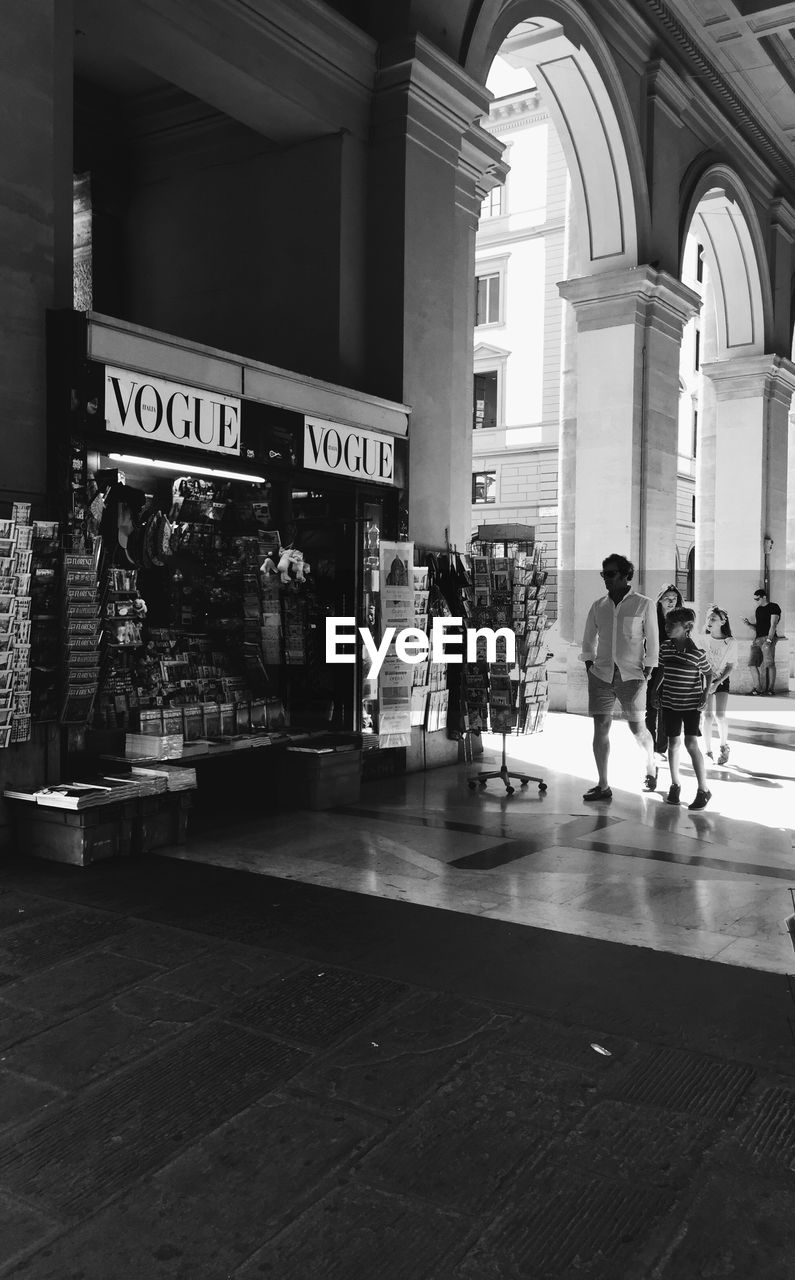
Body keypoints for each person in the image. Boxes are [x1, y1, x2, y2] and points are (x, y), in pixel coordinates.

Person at [579, 553, 659, 802]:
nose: (606, 579)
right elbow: (588, 639)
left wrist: (647, 670)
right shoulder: (598, 606)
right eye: (603, 574)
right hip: (601, 674)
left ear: (626, 575)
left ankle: (650, 766)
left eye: (611, 574)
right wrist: (590, 665)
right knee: (600, 727)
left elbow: (653, 641)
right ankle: (603, 784)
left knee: (637, 728)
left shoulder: (643, 604)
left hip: (632, 675)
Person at [648, 607, 712, 810]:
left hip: (691, 705)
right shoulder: (665, 647)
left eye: (671, 625)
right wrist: (654, 692)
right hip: (669, 703)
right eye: (666, 624)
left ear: (687, 627)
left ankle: (703, 789)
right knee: (672, 743)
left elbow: (708, 674)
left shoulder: (696, 653)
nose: (666, 628)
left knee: (691, 743)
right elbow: (662, 670)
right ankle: (675, 785)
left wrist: (704, 694)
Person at [645, 584, 684, 760]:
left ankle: (660, 748)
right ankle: (649, 745)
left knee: (666, 708)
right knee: (650, 707)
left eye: (674, 598)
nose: (671, 601)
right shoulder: (651, 616)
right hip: (652, 665)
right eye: (667, 598)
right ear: (660, 599)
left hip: (672, 666)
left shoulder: (679, 620)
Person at [701, 606, 737, 765]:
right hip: (704, 679)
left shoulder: (730, 642)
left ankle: (724, 746)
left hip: (721, 679)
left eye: (713, 619)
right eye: (708, 618)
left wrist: (717, 682)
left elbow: (730, 666)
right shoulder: (702, 639)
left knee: (720, 715)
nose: (709, 621)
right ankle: (707, 751)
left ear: (723, 621)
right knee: (706, 716)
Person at [743, 588, 781, 695]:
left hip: (769, 638)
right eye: (755, 599)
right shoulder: (758, 609)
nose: (756, 601)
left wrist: (769, 640)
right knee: (752, 664)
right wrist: (749, 624)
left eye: (757, 599)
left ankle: (770, 690)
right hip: (757, 639)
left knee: (769, 663)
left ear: (764, 597)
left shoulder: (774, 607)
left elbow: (773, 624)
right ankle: (758, 689)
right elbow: (759, 627)